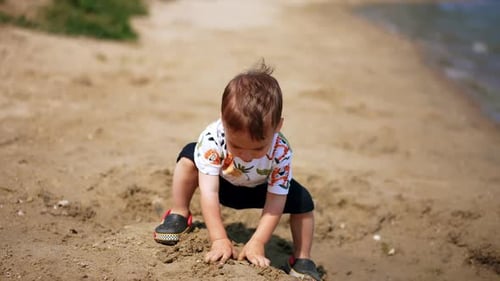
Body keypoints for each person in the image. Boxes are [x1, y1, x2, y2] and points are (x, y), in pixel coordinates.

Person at [153, 62, 321, 281]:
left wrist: (258, 242)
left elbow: (276, 200)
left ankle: (302, 258)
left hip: (259, 189)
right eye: (237, 146)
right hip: (221, 184)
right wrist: (219, 238)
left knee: (303, 201)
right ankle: (179, 213)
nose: (247, 155)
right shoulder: (212, 138)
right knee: (188, 155)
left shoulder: (281, 151)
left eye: (258, 148)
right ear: (224, 123)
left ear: (278, 126)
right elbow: (209, 193)